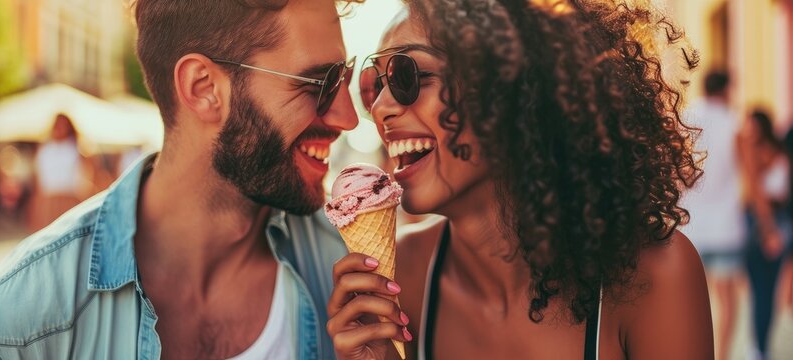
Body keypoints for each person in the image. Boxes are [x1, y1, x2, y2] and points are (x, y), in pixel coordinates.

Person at [0, 0, 358, 358]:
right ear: (203, 87)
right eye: (318, 84)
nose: (349, 117)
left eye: (346, 77)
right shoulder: (10, 329)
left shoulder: (351, 268)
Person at [327, 1, 713, 359]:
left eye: (405, 75)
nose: (378, 109)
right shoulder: (401, 280)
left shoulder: (653, 278)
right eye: (373, 86)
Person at [680, 70, 747, 360]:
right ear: (726, 90)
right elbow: (749, 173)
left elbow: (676, 170)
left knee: (688, 299)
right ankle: (722, 355)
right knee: (727, 299)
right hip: (725, 226)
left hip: (691, 227)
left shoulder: (685, 118)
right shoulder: (734, 122)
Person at [740, 109, 789, 358]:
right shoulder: (751, 152)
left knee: (768, 290)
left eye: (751, 126)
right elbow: (757, 196)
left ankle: (762, 345)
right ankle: (759, 347)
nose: (747, 131)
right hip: (761, 223)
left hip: (776, 222)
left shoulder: (777, 151)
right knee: (762, 289)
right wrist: (769, 229)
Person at [33, 113, 86, 229]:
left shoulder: (77, 148)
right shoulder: (45, 148)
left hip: (69, 199)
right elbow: (39, 178)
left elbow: (87, 176)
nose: (59, 128)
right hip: (49, 200)